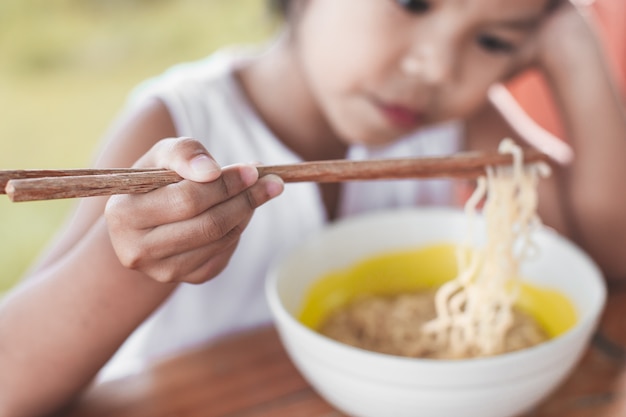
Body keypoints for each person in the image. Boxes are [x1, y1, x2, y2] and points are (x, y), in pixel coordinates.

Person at [1, 0, 625, 415]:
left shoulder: (460, 124)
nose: (435, 66)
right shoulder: (178, 123)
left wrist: (579, 53)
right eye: (411, 3)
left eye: (492, 39)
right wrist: (128, 255)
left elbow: (610, 255)